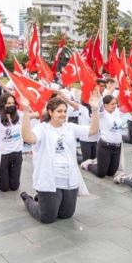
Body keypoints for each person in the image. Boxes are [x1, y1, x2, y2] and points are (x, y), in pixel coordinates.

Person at [19, 95, 100, 224]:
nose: (63, 114)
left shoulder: (70, 127)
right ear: (50, 112)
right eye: (59, 111)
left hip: (69, 179)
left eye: (64, 111)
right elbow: (28, 138)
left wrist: (95, 109)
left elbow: (93, 130)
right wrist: (25, 112)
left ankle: (44, 200)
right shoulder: (42, 128)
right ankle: (28, 199)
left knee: (66, 215)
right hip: (50, 180)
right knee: (47, 218)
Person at [81, 95, 124, 178]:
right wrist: (98, 98)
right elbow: (99, 105)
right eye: (112, 104)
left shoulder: (117, 112)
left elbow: (129, 103)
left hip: (117, 147)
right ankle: (88, 164)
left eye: (115, 103)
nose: (114, 106)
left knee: (111, 173)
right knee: (101, 174)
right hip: (105, 147)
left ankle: (98, 162)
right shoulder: (103, 114)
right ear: (105, 105)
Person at [0, 93, 24, 192]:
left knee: (14, 187)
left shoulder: (20, 115)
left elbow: (36, 115)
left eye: (13, 103)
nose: (11, 105)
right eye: (8, 103)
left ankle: (5, 176)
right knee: (4, 188)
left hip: (17, 154)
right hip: (3, 155)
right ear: (2, 104)